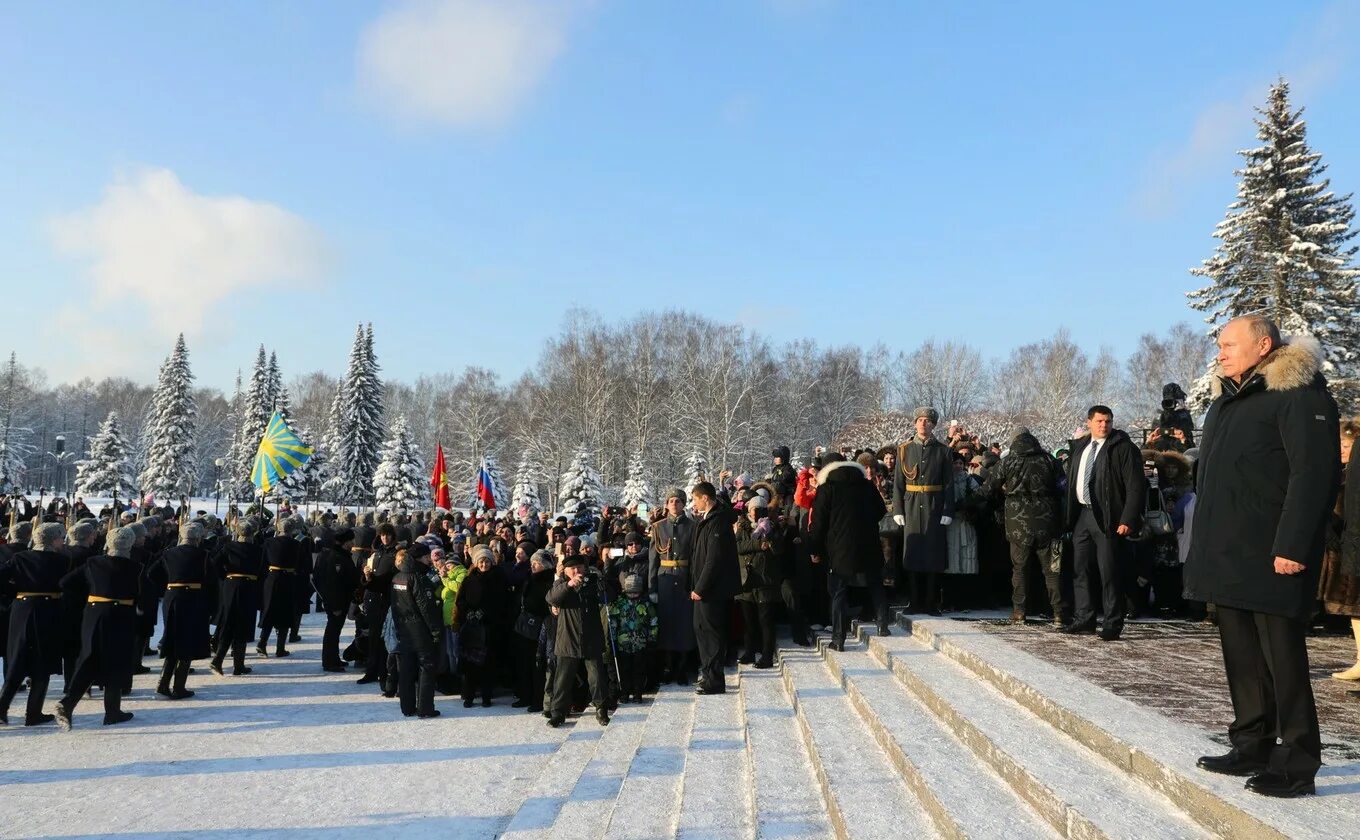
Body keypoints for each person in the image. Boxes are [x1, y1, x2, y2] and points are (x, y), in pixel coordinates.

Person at [1186, 316, 1339, 798]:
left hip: (1275, 553)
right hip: (1229, 553)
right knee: (1243, 657)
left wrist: (1293, 545)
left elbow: (1312, 475)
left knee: (1283, 660)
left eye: (1229, 344)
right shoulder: (1228, 402)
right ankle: (1251, 742)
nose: (1221, 352)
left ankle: (1296, 762)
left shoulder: (1300, 395)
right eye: (1220, 344)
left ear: (1263, 345)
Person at [1061, 405, 1146, 641]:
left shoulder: (1123, 448)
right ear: (1089, 422)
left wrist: (1127, 518)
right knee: (1080, 570)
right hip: (1082, 516)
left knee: (1109, 571)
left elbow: (1135, 486)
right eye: (1099, 421)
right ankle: (1084, 619)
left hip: (1109, 518)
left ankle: (1112, 622)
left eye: (1108, 421)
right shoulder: (1081, 447)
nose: (1104, 425)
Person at [54, 526, 143, 730]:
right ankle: (112, 711)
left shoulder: (93, 562)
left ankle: (67, 703)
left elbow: (66, 582)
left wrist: (92, 594)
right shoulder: (136, 567)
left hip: (94, 614)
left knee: (90, 658)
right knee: (116, 661)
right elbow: (144, 593)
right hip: (121, 616)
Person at [984, 428, 1067, 625]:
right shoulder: (1049, 460)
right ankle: (1059, 613)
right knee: (1054, 569)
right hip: (1049, 524)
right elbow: (1064, 486)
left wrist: (964, 504)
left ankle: (1019, 612)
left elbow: (988, 489)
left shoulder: (1008, 461)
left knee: (1019, 569)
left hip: (1017, 525)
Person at [810, 452, 889, 650]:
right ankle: (883, 625)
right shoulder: (866, 484)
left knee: (838, 591)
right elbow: (881, 510)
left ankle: (838, 638)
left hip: (839, 546)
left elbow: (818, 523)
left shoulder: (827, 488)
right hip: (868, 541)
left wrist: (815, 548)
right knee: (875, 583)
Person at [0, 522, 67, 726]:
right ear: (52, 539)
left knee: (17, 661)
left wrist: (17, 593)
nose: (62, 541)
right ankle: (33, 713)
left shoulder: (20, 557)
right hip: (47, 612)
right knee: (42, 663)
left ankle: (1, 708)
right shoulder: (62, 561)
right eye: (60, 537)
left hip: (21, 611)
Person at [893, 406, 955, 615]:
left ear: (933, 425)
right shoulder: (904, 450)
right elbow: (898, 484)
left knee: (932, 555)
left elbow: (949, 484)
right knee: (912, 555)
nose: (923, 423)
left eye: (927, 421)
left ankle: (931, 602)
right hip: (911, 506)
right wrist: (898, 509)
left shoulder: (943, 451)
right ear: (914, 423)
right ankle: (914, 601)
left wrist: (947, 510)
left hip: (934, 505)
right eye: (919, 420)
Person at [144, 521, 213, 700]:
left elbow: (152, 573)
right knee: (187, 641)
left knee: (173, 639)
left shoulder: (168, 553)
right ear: (198, 537)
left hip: (172, 597)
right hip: (194, 599)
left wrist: (168, 586)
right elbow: (212, 580)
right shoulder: (204, 555)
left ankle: (163, 682)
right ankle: (178, 687)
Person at [546, 553, 610, 727]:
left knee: (596, 677)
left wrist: (602, 581)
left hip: (591, 638)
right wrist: (569, 585)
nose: (576, 571)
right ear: (566, 571)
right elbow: (551, 598)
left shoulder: (593, 580)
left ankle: (601, 709)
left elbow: (606, 597)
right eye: (572, 568)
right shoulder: (561, 584)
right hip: (568, 638)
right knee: (562, 679)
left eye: (579, 567)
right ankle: (558, 713)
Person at [688, 481, 740, 695]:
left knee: (711, 634)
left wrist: (700, 587)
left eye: (695, 498)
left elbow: (713, 560)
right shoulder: (709, 519)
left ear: (705, 498)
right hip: (706, 589)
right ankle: (709, 675)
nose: (694, 503)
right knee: (702, 632)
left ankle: (714, 680)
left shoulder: (717, 522)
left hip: (712, 590)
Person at [1322, 419, 1360, 682]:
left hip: (1352, 542)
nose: (1342, 450)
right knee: (1354, 608)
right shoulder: (1340, 473)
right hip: (1345, 543)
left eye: (1346, 445)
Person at [389, 543, 443, 718]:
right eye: (427, 557)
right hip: (419, 630)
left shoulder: (397, 577)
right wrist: (435, 630)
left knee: (406, 669)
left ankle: (407, 707)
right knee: (426, 668)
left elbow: (395, 607)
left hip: (404, 630)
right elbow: (426, 608)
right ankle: (425, 708)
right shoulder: (417, 578)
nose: (429, 560)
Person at [649, 489, 696, 685]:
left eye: (678, 501)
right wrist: (652, 588)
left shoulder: (693, 526)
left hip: (685, 579)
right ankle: (668, 667)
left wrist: (694, 584)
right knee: (667, 626)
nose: (674, 504)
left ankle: (683, 668)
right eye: (671, 501)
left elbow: (695, 558)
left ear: (684, 504)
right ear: (666, 504)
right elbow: (653, 559)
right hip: (665, 581)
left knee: (685, 625)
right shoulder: (658, 527)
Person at [209, 518, 265, 676]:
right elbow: (263, 570)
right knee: (243, 624)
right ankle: (237, 664)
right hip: (248, 587)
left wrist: (225, 576)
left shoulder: (228, 547)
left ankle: (219, 659)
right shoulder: (258, 549)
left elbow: (215, 563)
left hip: (231, 586)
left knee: (229, 622)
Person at [455, 544, 506, 708]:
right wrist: (468, 612)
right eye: (481, 562)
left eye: (487, 562)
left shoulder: (497, 579)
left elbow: (501, 603)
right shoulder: (469, 579)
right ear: (476, 563)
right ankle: (469, 696)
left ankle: (486, 696)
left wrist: (485, 613)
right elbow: (460, 600)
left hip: (489, 628)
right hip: (471, 628)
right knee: (470, 665)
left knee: (487, 664)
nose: (484, 565)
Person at [735, 496, 781, 667]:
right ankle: (749, 652)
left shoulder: (772, 526)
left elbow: (778, 549)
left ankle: (767, 655)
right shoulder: (743, 526)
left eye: (761, 509)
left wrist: (769, 536)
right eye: (754, 509)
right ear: (749, 510)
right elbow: (738, 547)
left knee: (766, 621)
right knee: (748, 621)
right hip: (746, 580)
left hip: (765, 580)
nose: (757, 513)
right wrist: (758, 544)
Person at [313, 528, 360, 672]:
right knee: (332, 631)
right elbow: (331, 583)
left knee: (335, 630)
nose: (353, 543)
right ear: (345, 542)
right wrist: (334, 605)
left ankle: (333, 657)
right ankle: (329, 661)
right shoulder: (335, 557)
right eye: (351, 540)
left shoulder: (338, 554)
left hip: (340, 600)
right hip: (336, 602)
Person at [512, 550, 554, 712]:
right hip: (525, 626)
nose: (533, 565)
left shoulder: (549, 580)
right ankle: (525, 695)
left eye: (537, 563)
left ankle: (538, 699)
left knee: (538, 664)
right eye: (532, 563)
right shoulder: (529, 578)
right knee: (524, 662)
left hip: (542, 626)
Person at [609, 570, 658, 703]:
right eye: (630, 592)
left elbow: (653, 621)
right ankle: (624, 692)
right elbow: (612, 621)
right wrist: (612, 636)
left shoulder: (646, 604)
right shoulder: (620, 603)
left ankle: (638, 692)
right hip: (623, 644)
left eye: (636, 592)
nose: (633, 595)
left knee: (639, 670)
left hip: (640, 643)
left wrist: (652, 637)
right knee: (624, 669)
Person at [257, 517, 303, 658]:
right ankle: (280, 648)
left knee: (269, 611)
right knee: (285, 613)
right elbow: (300, 564)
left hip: (271, 578)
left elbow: (263, 562)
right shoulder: (296, 544)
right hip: (288, 580)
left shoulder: (269, 542)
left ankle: (262, 643)